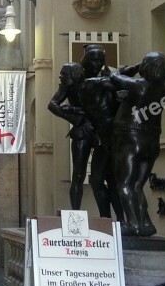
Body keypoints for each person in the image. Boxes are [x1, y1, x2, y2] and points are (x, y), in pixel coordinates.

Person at [110, 52, 165, 236]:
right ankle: (146, 223)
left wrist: (130, 68)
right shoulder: (162, 90)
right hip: (151, 142)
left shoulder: (140, 86)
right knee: (137, 185)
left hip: (131, 139)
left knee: (125, 184)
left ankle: (133, 224)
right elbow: (134, 100)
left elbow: (114, 76)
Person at [76, 45, 124, 220]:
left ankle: (117, 221)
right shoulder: (84, 80)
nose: (97, 63)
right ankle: (110, 219)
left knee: (108, 180)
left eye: (100, 60)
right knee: (99, 180)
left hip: (111, 134)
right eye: (94, 60)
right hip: (99, 134)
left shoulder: (111, 78)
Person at [48, 62, 94, 209]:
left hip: (99, 128)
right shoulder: (66, 87)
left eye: (64, 74)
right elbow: (52, 105)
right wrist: (74, 116)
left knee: (105, 175)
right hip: (81, 131)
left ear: (74, 75)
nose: (60, 77)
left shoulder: (92, 84)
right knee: (78, 174)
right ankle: (76, 213)